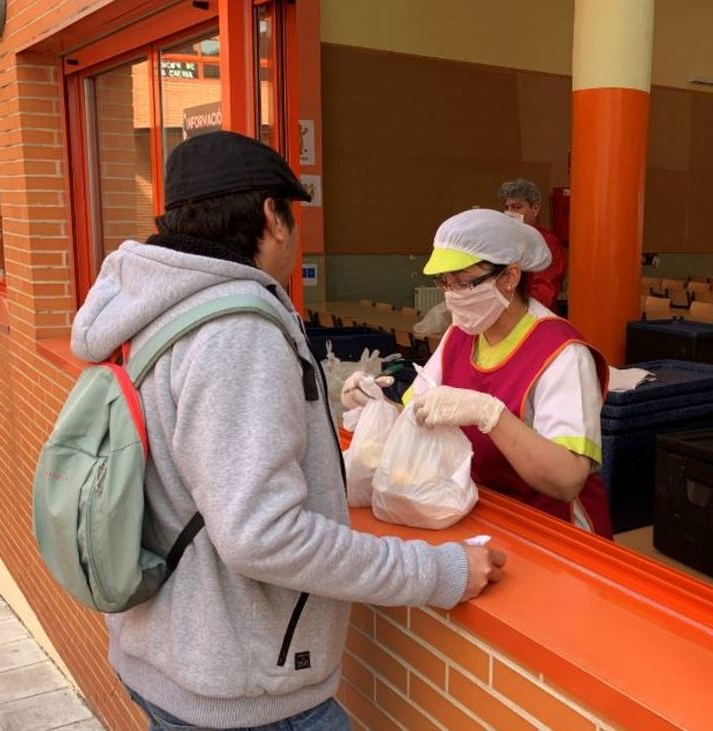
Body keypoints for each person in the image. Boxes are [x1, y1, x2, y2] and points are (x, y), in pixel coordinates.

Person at [70, 131, 504, 731]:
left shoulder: (152, 308)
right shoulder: (236, 330)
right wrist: (438, 572)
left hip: (171, 652)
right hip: (241, 690)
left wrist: (333, 476)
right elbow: (261, 535)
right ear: (273, 218)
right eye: (292, 214)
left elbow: (197, 472)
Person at [342, 209, 613, 537]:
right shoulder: (460, 335)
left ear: (510, 277)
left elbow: (567, 479)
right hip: (488, 512)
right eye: (445, 283)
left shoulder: (562, 354)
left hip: (555, 531)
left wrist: (491, 415)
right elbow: (418, 411)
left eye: (464, 282)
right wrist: (377, 401)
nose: (452, 295)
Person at [498, 178, 566, 309]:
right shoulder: (505, 239)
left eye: (517, 207)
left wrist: (512, 313)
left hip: (531, 318)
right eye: (507, 207)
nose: (510, 213)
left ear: (535, 208)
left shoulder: (548, 243)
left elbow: (544, 294)